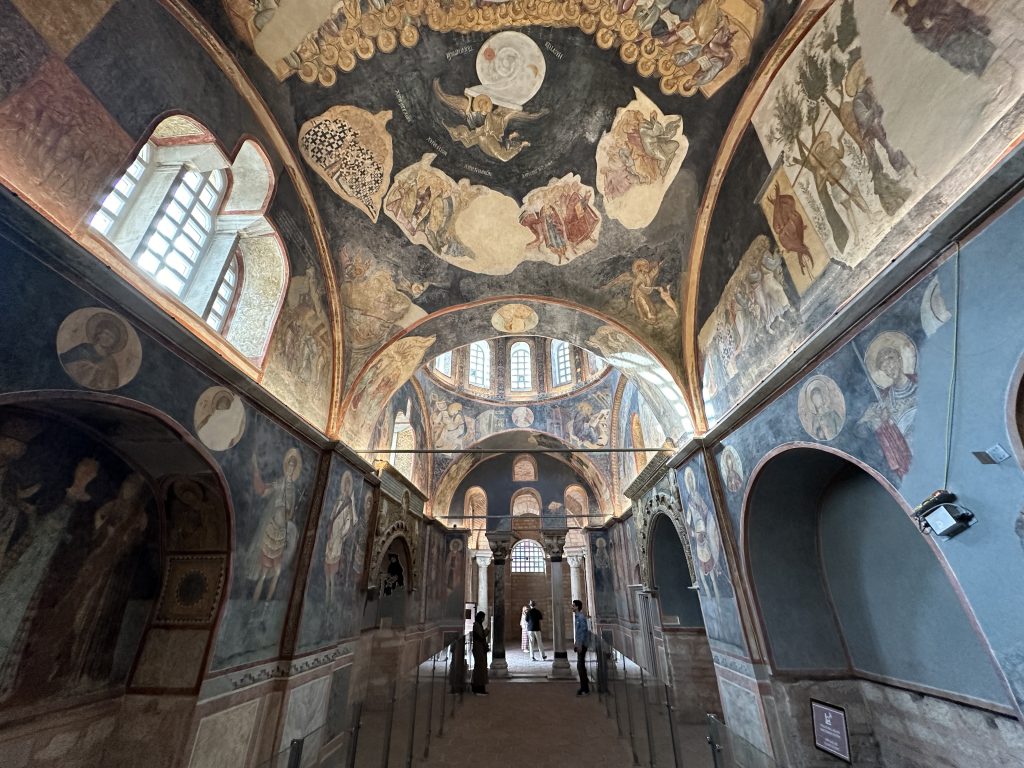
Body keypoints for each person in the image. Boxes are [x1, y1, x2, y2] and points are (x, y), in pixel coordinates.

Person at [572, 599, 591, 696]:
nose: (572, 607)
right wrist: (576, 642)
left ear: (577, 607)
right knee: (581, 666)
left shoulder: (580, 617)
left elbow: (583, 631)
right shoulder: (577, 616)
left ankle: (585, 688)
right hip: (580, 644)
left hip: (582, 645)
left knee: (580, 666)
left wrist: (580, 644)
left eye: (573, 605)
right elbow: (579, 632)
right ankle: (584, 687)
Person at [471, 611, 489, 695]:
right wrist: (487, 631)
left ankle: (478, 687)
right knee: (480, 668)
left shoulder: (477, 625)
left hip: (479, 648)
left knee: (480, 667)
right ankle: (478, 688)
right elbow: (480, 637)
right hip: (479, 649)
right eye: (483, 618)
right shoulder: (477, 625)